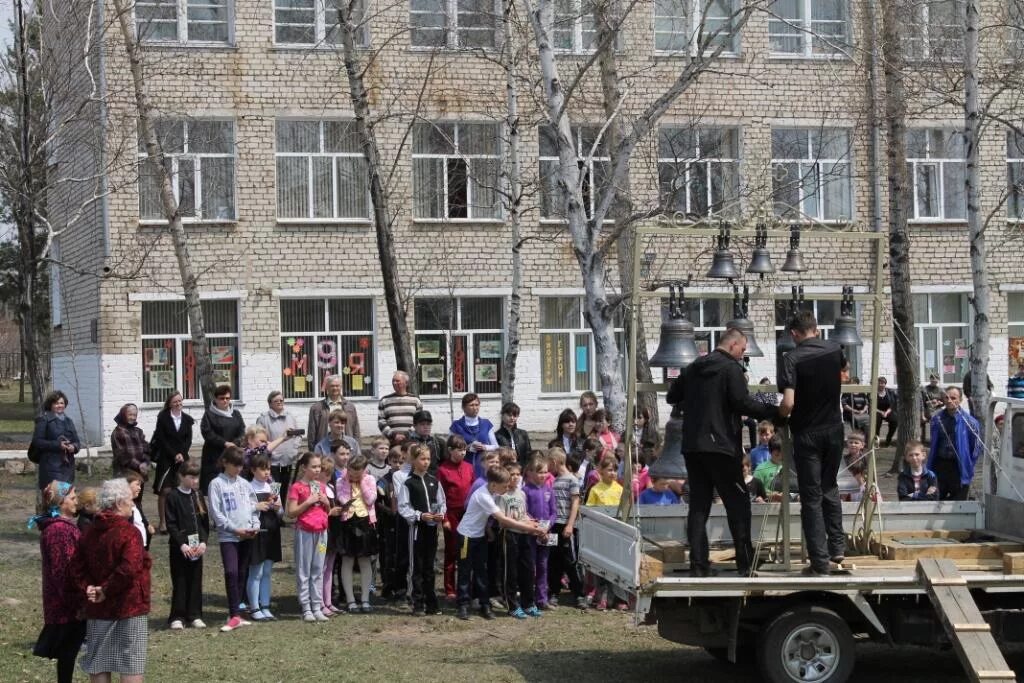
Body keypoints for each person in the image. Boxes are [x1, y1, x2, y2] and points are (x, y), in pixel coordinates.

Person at [666, 327, 779, 577]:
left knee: (699, 506)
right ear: (731, 346)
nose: (744, 352)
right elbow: (742, 403)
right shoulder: (731, 369)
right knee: (738, 504)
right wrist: (774, 411)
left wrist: (696, 401)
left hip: (693, 447)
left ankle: (698, 565)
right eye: (742, 347)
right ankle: (745, 565)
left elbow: (672, 396)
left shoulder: (694, 367)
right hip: (722, 447)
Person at [778, 311, 848, 577]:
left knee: (811, 497)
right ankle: (837, 548)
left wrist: (779, 417)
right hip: (834, 428)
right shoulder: (834, 348)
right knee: (830, 486)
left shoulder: (791, 358)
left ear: (795, 334)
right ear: (816, 330)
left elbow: (788, 403)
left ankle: (819, 562)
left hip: (807, 433)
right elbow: (844, 371)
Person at [71, 478, 152, 683]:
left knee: (99, 661)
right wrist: (104, 590)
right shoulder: (129, 532)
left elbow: (76, 567)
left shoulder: (89, 532)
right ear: (117, 504)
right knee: (131, 662)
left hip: (99, 607)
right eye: (128, 500)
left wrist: (89, 587)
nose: (133, 504)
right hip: (129, 605)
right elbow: (129, 568)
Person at [455, 466, 547, 621]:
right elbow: (503, 520)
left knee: (482, 571)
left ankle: (485, 605)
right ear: (493, 485)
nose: (506, 489)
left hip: (480, 536)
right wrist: (531, 529)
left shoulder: (494, 493)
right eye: (504, 486)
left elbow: (516, 514)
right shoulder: (483, 495)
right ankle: (463, 605)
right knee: (465, 571)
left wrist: (534, 524)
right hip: (466, 536)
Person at [31, 480, 85, 683]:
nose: (76, 501)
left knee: (68, 656)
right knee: (67, 655)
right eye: (72, 497)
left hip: (68, 604)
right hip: (65, 606)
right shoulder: (58, 531)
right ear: (61, 503)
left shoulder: (62, 527)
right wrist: (78, 604)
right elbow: (63, 572)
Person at [208, 444, 260, 631]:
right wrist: (234, 529)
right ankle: (233, 613)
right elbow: (216, 513)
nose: (238, 469)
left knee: (242, 572)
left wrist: (255, 526)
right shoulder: (216, 484)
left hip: (247, 535)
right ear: (225, 463)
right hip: (228, 537)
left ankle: (236, 612)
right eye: (235, 465)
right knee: (231, 571)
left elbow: (253, 508)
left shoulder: (244, 484)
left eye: (241, 465)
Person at [398, 445, 446, 616]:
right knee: (416, 566)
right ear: (413, 460)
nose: (426, 462)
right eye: (422, 459)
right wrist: (419, 516)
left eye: (428, 459)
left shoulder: (434, 481)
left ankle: (431, 602)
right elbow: (403, 507)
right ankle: (417, 602)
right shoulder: (408, 483)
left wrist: (440, 514)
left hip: (432, 530)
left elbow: (441, 502)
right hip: (417, 530)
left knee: (429, 566)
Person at [164, 460, 209, 630]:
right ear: (181, 477)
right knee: (180, 580)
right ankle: (177, 615)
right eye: (191, 477)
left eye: (197, 477)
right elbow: (171, 523)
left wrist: (204, 542)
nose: (195, 481)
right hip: (180, 548)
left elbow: (204, 522)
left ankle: (195, 614)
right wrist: (182, 544)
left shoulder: (197, 495)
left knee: (195, 580)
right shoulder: (173, 496)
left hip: (197, 546)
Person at [288, 452, 331, 622]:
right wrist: (308, 502)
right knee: (304, 569)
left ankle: (317, 605)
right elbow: (291, 512)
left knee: (318, 568)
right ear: (304, 467)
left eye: (318, 466)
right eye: (313, 466)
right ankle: (306, 607)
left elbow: (326, 510)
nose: (317, 470)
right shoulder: (297, 487)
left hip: (321, 532)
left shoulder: (320, 486)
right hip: (305, 531)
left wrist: (327, 503)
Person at [337, 453, 379, 614]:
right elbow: (342, 499)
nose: (353, 475)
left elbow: (370, 500)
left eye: (357, 473)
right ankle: (350, 600)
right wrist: (348, 482)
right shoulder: (341, 480)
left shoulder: (369, 480)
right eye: (351, 472)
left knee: (365, 560)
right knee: (347, 560)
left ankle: (365, 599)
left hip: (365, 522)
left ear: (364, 470)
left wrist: (362, 483)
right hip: (348, 522)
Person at [497, 462, 538, 619]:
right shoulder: (502, 495)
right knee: (511, 572)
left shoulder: (521, 493)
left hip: (524, 534)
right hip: (510, 535)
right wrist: (523, 525)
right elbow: (502, 520)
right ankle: (512, 605)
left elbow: (524, 514)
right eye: (511, 474)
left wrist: (532, 522)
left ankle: (529, 603)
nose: (515, 477)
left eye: (517, 474)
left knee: (527, 570)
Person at [149, 392, 194, 535]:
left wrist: (181, 453)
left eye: (180, 401)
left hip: (182, 458)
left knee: (181, 490)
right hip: (166, 459)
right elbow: (161, 439)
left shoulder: (187, 419)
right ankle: (163, 522)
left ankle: (179, 521)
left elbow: (188, 440)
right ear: (169, 403)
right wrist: (174, 454)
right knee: (166, 491)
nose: (178, 404)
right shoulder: (162, 418)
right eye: (175, 401)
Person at [927, 386, 982, 501]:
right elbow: (934, 443)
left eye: (953, 398)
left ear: (960, 400)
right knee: (934, 500)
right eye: (946, 398)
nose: (949, 400)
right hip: (940, 465)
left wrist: (967, 464)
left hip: (959, 467)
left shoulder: (970, 422)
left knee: (959, 502)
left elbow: (975, 449)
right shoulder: (937, 419)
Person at [547, 449, 585, 610]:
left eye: (549, 463)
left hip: (566, 525)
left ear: (555, 462)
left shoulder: (572, 480)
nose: (548, 467)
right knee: (553, 560)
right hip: (553, 525)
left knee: (571, 561)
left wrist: (570, 524)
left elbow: (575, 502)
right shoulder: (553, 481)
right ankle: (554, 591)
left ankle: (579, 594)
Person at [247, 454, 284, 621]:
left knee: (267, 571)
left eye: (268, 468)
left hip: (272, 531)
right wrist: (256, 506)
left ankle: (266, 605)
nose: (267, 472)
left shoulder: (273, 487)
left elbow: (282, 512)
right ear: (253, 470)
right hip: (257, 532)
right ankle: (254, 607)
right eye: (262, 469)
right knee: (256, 571)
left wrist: (277, 508)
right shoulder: (248, 487)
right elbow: (244, 510)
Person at [438, 435, 473, 600]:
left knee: (466, 552)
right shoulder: (443, 469)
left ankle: (465, 587)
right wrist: (444, 519)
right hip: (451, 513)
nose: (463, 453)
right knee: (451, 552)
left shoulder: (469, 467)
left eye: (465, 449)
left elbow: (473, 491)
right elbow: (440, 497)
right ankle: (450, 589)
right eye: (459, 450)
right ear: (451, 450)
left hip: (467, 514)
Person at [256, 390, 303, 499]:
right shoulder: (263, 419)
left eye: (281, 400)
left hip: (288, 462)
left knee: (284, 491)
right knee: (274, 493)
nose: (279, 402)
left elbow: (298, 435)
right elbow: (259, 440)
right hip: (273, 465)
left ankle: (281, 515)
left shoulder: (290, 417)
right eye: (276, 401)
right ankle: (275, 513)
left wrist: (294, 448)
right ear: (270, 403)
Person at [199, 385, 246, 495]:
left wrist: (235, 443)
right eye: (221, 398)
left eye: (227, 398)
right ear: (215, 399)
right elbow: (207, 432)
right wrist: (224, 443)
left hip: (232, 454)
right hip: (214, 456)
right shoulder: (209, 414)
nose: (225, 401)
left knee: (231, 486)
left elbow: (242, 431)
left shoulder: (236, 413)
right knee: (214, 487)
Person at [523, 456, 556, 610]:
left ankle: (542, 599)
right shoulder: (525, 490)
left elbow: (554, 512)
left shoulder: (549, 489)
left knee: (543, 565)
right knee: (531, 567)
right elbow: (524, 513)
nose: (543, 475)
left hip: (546, 533)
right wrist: (536, 527)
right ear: (530, 473)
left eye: (545, 472)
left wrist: (547, 527)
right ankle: (528, 598)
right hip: (531, 533)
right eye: (539, 472)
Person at [31, 390, 81, 490]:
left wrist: (73, 447)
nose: (59, 405)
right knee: (54, 499)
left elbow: (77, 442)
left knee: (66, 499)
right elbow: (37, 442)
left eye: (61, 403)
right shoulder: (44, 419)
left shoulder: (68, 421)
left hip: (67, 467)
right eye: (56, 403)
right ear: (50, 405)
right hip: (51, 466)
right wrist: (58, 445)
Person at [111, 403, 152, 503]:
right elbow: (122, 456)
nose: (133, 417)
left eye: (135, 415)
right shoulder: (117, 432)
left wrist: (146, 463)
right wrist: (139, 465)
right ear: (123, 414)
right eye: (130, 414)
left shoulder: (138, 431)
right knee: (125, 503)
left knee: (137, 502)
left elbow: (147, 449)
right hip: (125, 475)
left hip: (139, 475)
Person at [449, 393, 498, 477]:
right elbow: (450, 448)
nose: (475, 408)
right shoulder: (456, 426)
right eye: (471, 405)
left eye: (477, 404)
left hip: (483, 466)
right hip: (463, 465)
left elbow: (496, 446)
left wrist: (485, 447)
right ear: (464, 408)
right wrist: (465, 448)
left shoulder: (486, 424)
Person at [307, 374, 360, 450]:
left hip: (346, 448)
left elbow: (356, 430)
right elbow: (312, 432)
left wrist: (357, 447)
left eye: (337, 386)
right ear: (327, 387)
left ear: (341, 387)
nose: (335, 388)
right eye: (332, 386)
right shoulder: (317, 408)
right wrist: (313, 452)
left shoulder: (350, 407)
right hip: (325, 448)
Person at [378, 370, 422, 445]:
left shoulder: (415, 400)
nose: (394, 383)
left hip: (411, 442)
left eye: (397, 381)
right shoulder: (384, 400)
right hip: (392, 442)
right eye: (393, 381)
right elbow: (381, 422)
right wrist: (394, 435)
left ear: (406, 383)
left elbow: (419, 421)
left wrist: (407, 435)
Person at [407, 410, 446, 474]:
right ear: (414, 426)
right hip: (415, 478)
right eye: (422, 424)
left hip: (434, 478)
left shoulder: (439, 442)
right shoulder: (409, 443)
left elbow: (444, 462)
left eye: (428, 424)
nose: (426, 427)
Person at [494, 402, 532, 467]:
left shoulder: (523, 434)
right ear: (502, 416)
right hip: (505, 470)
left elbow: (528, 454)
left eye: (515, 415)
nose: (512, 418)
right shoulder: (497, 436)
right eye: (509, 415)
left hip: (522, 469)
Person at [921, 374, 946, 442]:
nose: (935, 381)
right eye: (933, 379)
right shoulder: (925, 389)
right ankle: (925, 439)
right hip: (927, 409)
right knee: (934, 417)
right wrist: (930, 402)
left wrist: (939, 403)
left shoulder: (941, 390)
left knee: (941, 416)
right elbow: (922, 403)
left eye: (936, 379)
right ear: (930, 379)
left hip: (937, 408)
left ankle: (937, 438)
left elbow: (944, 402)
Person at [875, 376, 899, 448]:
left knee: (895, 421)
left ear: (885, 384)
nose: (881, 385)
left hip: (888, 411)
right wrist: (881, 412)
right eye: (879, 383)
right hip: (877, 411)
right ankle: (876, 442)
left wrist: (886, 412)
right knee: (876, 422)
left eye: (883, 383)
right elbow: (871, 406)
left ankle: (888, 440)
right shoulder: (873, 392)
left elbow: (893, 404)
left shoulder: (890, 392)